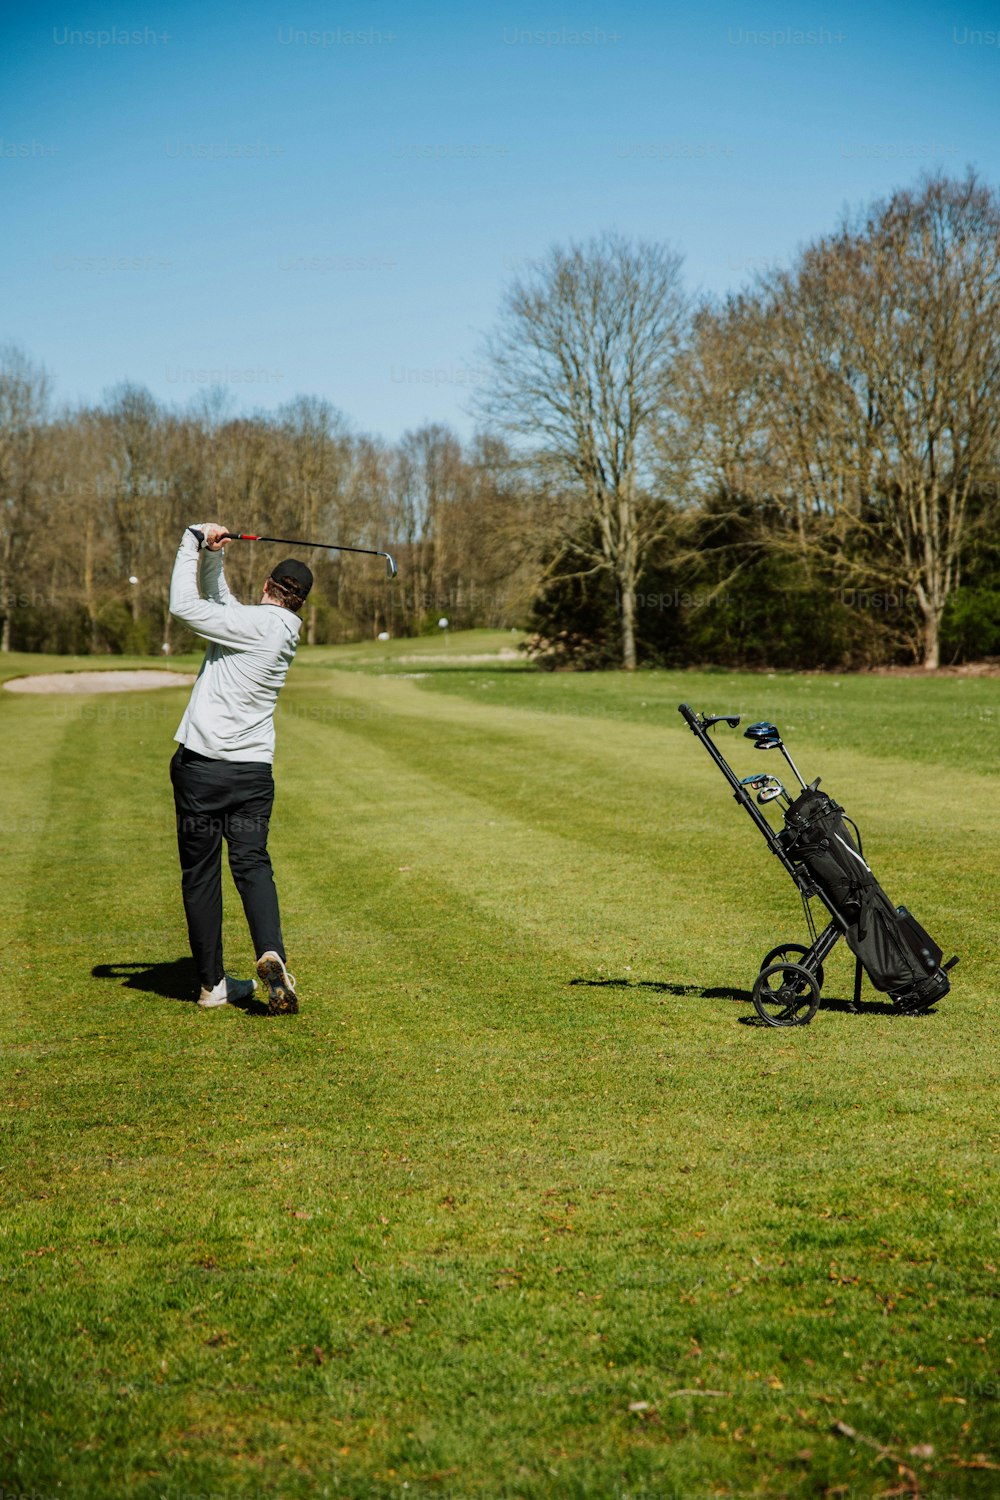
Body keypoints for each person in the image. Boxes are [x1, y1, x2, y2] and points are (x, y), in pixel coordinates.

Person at [168, 521, 312, 1015]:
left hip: (203, 771)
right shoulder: (276, 629)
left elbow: (185, 608)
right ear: (299, 602)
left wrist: (190, 540)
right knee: (252, 864)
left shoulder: (255, 625)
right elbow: (223, 606)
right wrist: (213, 556)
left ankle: (212, 984)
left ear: (268, 587)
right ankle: (271, 953)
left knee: (202, 874)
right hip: (252, 774)